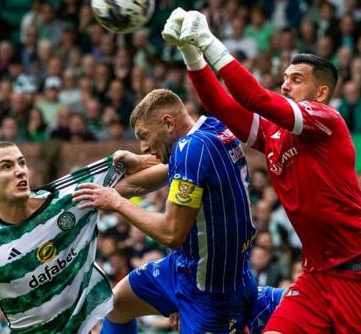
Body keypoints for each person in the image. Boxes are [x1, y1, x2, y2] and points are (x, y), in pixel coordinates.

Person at [162, 8, 361, 333]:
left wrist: (207, 40)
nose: (286, 85)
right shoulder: (273, 134)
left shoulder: (325, 119)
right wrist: (190, 52)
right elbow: (221, 106)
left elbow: (254, 97)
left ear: (321, 93)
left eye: (296, 79)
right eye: (285, 78)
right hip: (316, 277)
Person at [72, 88, 257, 333]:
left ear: (168, 123)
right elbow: (144, 181)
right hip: (184, 268)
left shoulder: (189, 150)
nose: (144, 146)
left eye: (144, 136)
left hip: (212, 294)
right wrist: (140, 161)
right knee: (116, 304)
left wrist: (116, 202)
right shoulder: (214, 129)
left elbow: (172, 234)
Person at [0, 141, 128, 333]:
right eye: (7, 166)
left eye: (21, 163)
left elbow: (135, 182)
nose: (20, 172)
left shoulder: (64, 199)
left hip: (96, 323)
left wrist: (151, 159)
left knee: (129, 294)